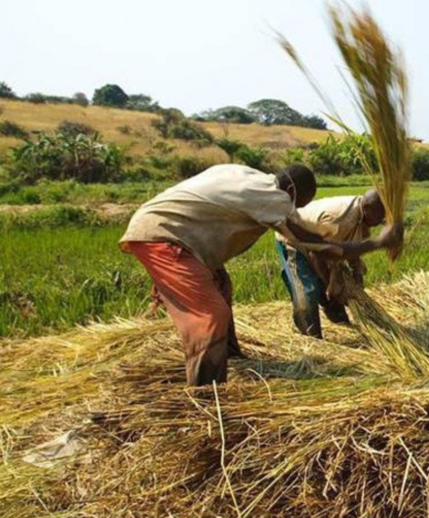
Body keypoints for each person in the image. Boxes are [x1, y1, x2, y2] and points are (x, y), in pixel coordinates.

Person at [120, 163, 346, 386]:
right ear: (291, 192)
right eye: (296, 203)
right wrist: (360, 247)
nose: (292, 208)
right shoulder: (274, 196)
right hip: (165, 234)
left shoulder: (251, 177)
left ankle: (229, 355)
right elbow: (302, 237)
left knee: (221, 285)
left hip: (172, 228)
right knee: (210, 316)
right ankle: (207, 392)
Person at [275, 189, 402, 338]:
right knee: (308, 289)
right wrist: (329, 282)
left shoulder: (364, 214)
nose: (383, 218)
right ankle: (310, 336)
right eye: (381, 214)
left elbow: (353, 246)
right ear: (369, 209)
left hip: (321, 243)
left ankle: (340, 320)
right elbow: (317, 255)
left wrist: (357, 276)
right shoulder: (340, 219)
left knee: (336, 285)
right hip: (293, 239)